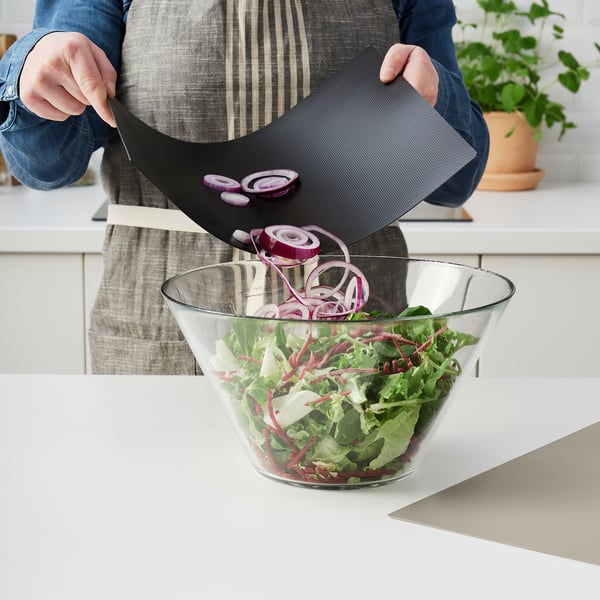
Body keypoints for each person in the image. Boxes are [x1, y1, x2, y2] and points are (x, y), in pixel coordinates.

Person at [0, 0, 489, 375]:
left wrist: (437, 96)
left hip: (353, 342)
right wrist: (29, 65)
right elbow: (48, 163)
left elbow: (458, 181)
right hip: (160, 338)